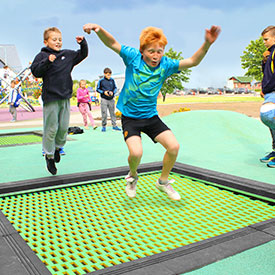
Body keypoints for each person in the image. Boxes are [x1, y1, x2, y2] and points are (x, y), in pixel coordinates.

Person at [83, 23, 221, 200]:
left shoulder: (166, 64)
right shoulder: (133, 58)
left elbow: (193, 61)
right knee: (136, 153)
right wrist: (98, 29)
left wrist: (207, 43)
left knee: (173, 146)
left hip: (150, 117)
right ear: (142, 50)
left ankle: (163, 182)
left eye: (160, 51)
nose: (156, 56)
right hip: (130, 117)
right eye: (151, 51)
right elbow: (112, 43)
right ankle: (132, 177)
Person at [31, 27, 88, 175]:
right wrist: (47, 62)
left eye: (60, 40)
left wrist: (83, 43)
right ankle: (49, 156)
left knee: (63, 128)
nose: (58, 42)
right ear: (46, 41)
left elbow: (82, 54)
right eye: (54, 40)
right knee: (51, 129)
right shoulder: (42, 55)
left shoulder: (67, 55)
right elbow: (35, 71)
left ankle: (57, 148)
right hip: (51, 98)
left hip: (65, 97)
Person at [259, 25, 275, 168]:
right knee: (272, 124)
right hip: (269, 92)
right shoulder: (269, 54)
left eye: (266, 39)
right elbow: (267, 73)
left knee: (269, 116)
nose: (264, 42)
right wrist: (264, 88)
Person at [96, 67, 121, 132]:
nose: (109, 76)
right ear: (104, 74)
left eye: (110, 74)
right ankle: (104, 126)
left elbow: (115, 88)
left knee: (112, 113)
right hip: (104, 99)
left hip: (111, 99)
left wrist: (113, 92)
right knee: (104, 113)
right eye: (107, 75)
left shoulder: (112, 80)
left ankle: (114, 126)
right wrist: (104, 92)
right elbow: (97, 89)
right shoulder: (101, 81)